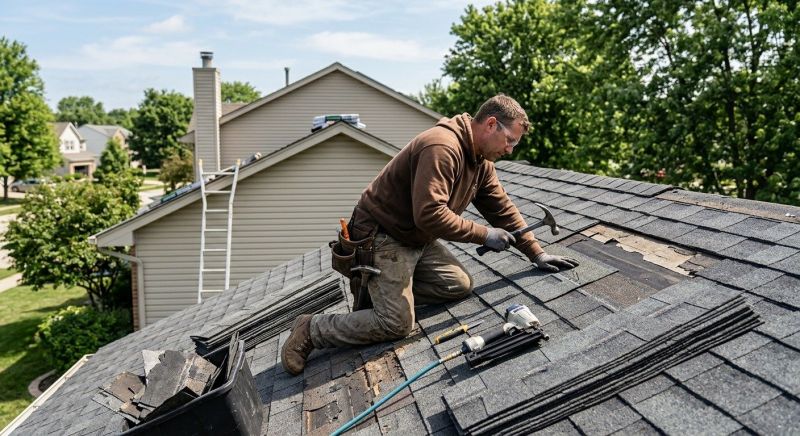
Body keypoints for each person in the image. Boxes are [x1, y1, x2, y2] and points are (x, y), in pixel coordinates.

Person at [281, 94, 578, 375]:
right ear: (490, 124)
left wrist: (536, 252)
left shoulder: (480, 160)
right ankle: (311, 329)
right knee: (397, 324)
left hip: (415, 239)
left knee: (458, 285)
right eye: (509, 141)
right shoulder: (442, 147)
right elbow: (430, 213)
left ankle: (384, 294)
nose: (510, 149)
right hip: (382, 237)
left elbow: (500, 207)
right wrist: (484, 234)